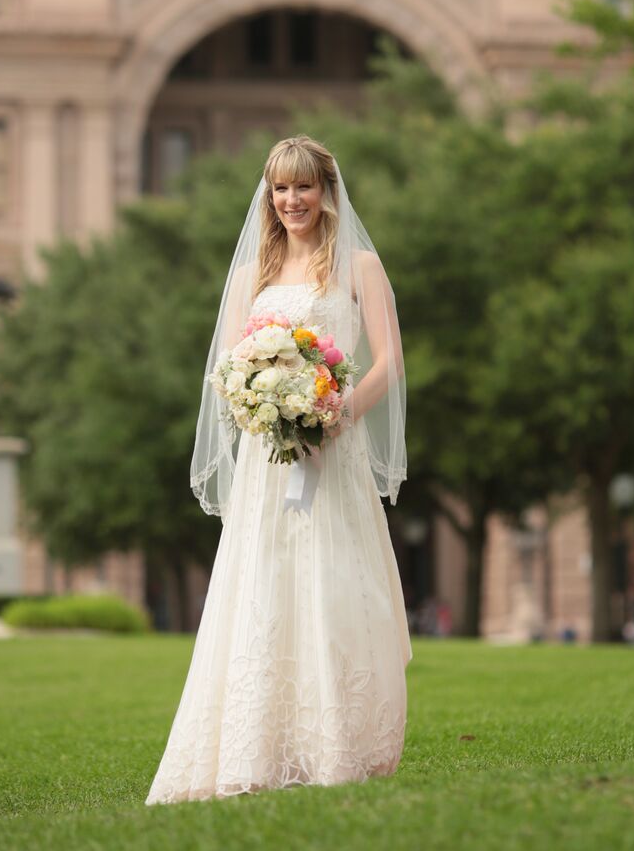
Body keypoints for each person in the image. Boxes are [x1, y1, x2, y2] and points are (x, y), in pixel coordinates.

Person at [146, 135, 412, 805]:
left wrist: (338, 411)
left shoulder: (359, 265)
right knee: (261, 588)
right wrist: (259, 405)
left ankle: (336, 743)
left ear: (326, 192)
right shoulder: (250, 276)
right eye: (280, 188)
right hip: (269, 464)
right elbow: (232, 368)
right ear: (268, 196)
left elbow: (388, 362)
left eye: (303, 187)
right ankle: (255, 744)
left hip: (335, 448)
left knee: (332, 580)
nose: (291, 200)